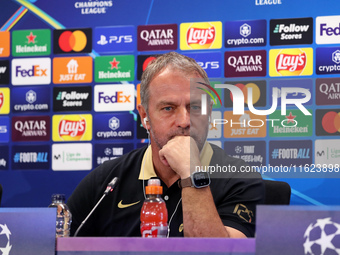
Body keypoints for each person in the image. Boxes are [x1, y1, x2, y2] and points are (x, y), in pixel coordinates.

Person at [67, 52, 264, 238]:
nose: (184, 121)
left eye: (195, 107)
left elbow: (217, 253)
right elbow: (56, 245)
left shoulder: (240, 177)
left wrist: (191, 172)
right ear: (145, 116)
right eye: (168, 108)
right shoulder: (107, 182)